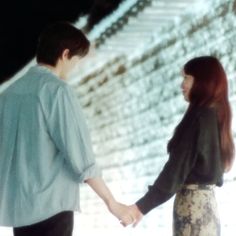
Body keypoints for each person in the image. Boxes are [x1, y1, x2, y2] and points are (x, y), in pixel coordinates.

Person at [0, 22, 133, 236]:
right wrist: (112, 202)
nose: (74, 67)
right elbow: (80, 155)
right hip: (52, 208)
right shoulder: (57, 91)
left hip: (20, 211)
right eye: (76, 61)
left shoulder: (8, 95)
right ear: (65, 54)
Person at [124, 56, 235, 235]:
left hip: (192, 208)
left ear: (202, 81)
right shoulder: (215, 115)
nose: (181, 85)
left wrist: (141, 207)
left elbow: (175, 171)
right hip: (208, 207)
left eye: (186, 78)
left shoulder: (198, 117)